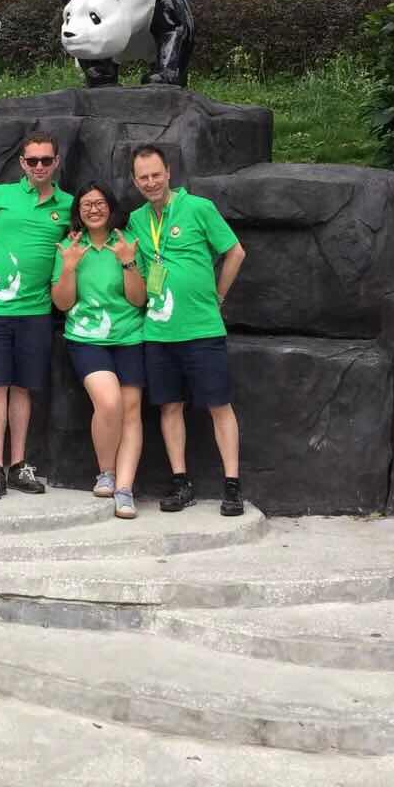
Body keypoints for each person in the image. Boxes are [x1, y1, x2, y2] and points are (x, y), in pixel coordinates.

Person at [127, 145, 248, 516]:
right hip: (159, 332)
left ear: (169, 173)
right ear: (135, 181)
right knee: (169, 406)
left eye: (155, 174)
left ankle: (232, 486)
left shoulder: (198, 208)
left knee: (218, 405)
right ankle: (181, 482)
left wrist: (219, 296)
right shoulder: (136, 220)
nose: (150, 182)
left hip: (201, 328)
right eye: (143, 177)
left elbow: (235, 252)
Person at [0, 132, 73, 500]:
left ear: (57, 162)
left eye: (46, 159)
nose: (39, 166)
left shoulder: (68, 205)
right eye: (32, 161)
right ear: (22, 164)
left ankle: (18, 463)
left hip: (36, 311)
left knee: (23, 387)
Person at [50, 182, 147, 519]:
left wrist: (129, 263)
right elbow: (62, 303)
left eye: (100, 203)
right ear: (78, 210)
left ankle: (124, 489)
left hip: (130, 335)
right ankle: (105, 471)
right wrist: (69, 267)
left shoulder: (127, 243)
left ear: (111, 207)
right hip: (86, 337)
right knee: (109, 402)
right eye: (86, 203)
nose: (93, 209)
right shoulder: (68, 246)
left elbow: (139, 299)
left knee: (132, 410)